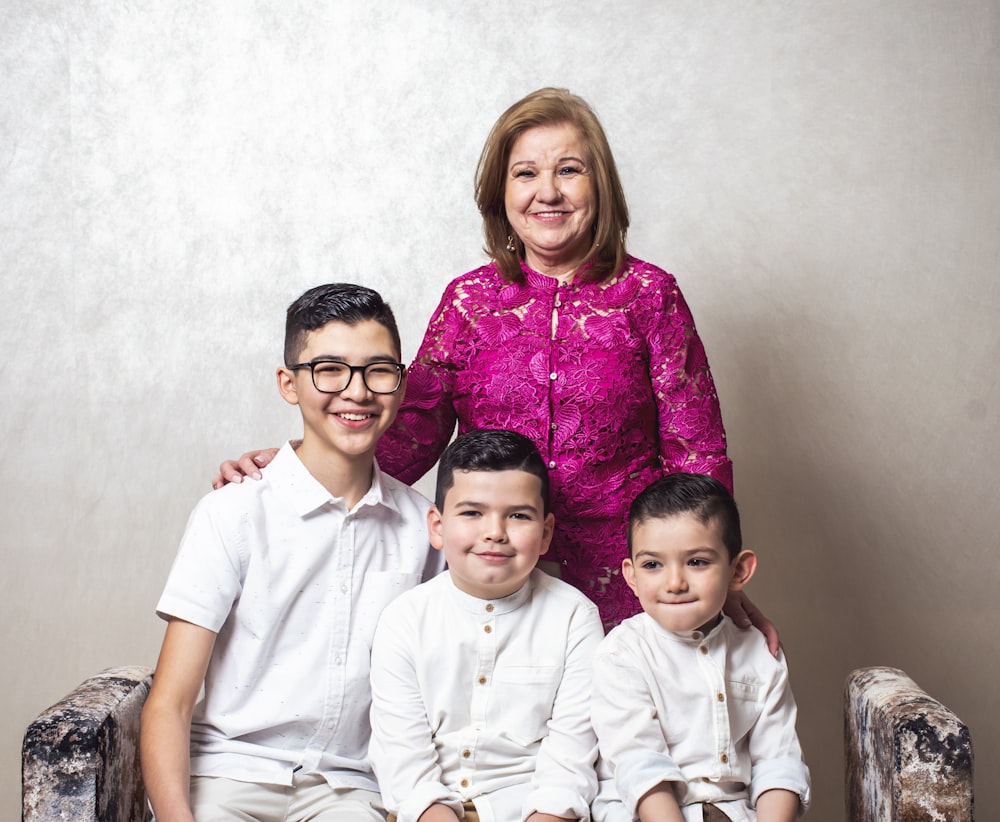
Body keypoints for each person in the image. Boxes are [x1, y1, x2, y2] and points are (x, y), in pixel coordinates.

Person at [214, 87, 770, 642]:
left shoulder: (651, 295)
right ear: (500, 193)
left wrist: (712, 577)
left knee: (627, 723)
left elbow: (696, 452)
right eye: (525, 173)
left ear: (600, 185)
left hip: (629, 582)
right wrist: (297, 467)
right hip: (495, 571)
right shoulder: (468, 303)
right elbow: (405, 438)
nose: (547, 192)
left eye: (569, 170)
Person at [140, 283, 443, 822]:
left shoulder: (425, 530)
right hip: (229, 774)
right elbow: (170, 703)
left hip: (350, 789)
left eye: (379, 370)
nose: (357, 391)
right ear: (289, 383)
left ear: (400, 385)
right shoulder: (232, 513)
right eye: (329, 369)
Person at [368, 429, 604, 822]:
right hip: (428, 812)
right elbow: (402, 757)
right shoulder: (404, 619)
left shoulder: (575, 619)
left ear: (545, 533)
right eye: (472, 513)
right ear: (438, 526)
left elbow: (569, 760)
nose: (495, 532)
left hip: (531, 812)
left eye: (518, 515)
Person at [590, 474, 810, 822]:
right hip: (649, 813)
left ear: (738, 571)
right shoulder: (621, 654)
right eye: (652, 565)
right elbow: (639, 764)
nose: (674, 583)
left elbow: (778, 761)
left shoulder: (758, 652)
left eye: (697, 562)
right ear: (631, 576)